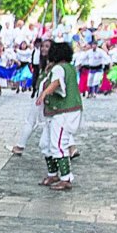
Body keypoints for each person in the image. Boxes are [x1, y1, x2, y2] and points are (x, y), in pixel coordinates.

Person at [37, 41, 81, 190]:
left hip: (63, 112)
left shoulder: (59, 68)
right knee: (46, 143)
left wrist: (44, 93)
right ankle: (53, 173)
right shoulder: (67, 67)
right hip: (58, 112)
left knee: (58, 144)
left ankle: (65, 178)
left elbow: (56, 83)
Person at [11, 38, 52, 156]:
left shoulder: (52, 63)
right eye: (43, 46)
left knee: (40, 120)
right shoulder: (43, 60)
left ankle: (20, 146)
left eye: (47, 46)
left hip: (46, 93)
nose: (43, 48)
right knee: (34, 119)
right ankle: (20, 145)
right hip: (41, 91)